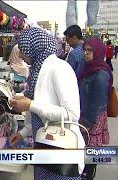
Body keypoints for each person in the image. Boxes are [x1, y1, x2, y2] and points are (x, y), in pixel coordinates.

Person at [9, 27, 85, 180]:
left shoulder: (60, 68)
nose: (22, 56)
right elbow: (40, 116)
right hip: (44, 147)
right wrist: (23, 133)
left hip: (62, 152)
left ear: (36, 47)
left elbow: (72, 114)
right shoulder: (38, 71)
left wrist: (30, 105)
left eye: (24, 50)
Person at [78, 38, 112, 180]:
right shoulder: (88, 68)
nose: (85, 53)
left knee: (90, 155)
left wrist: (86, 122)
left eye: (90, 50)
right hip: (85, 114)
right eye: (84, 50)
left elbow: (96, 103)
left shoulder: (100, 74)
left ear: (98, 51)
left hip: (92, 118)